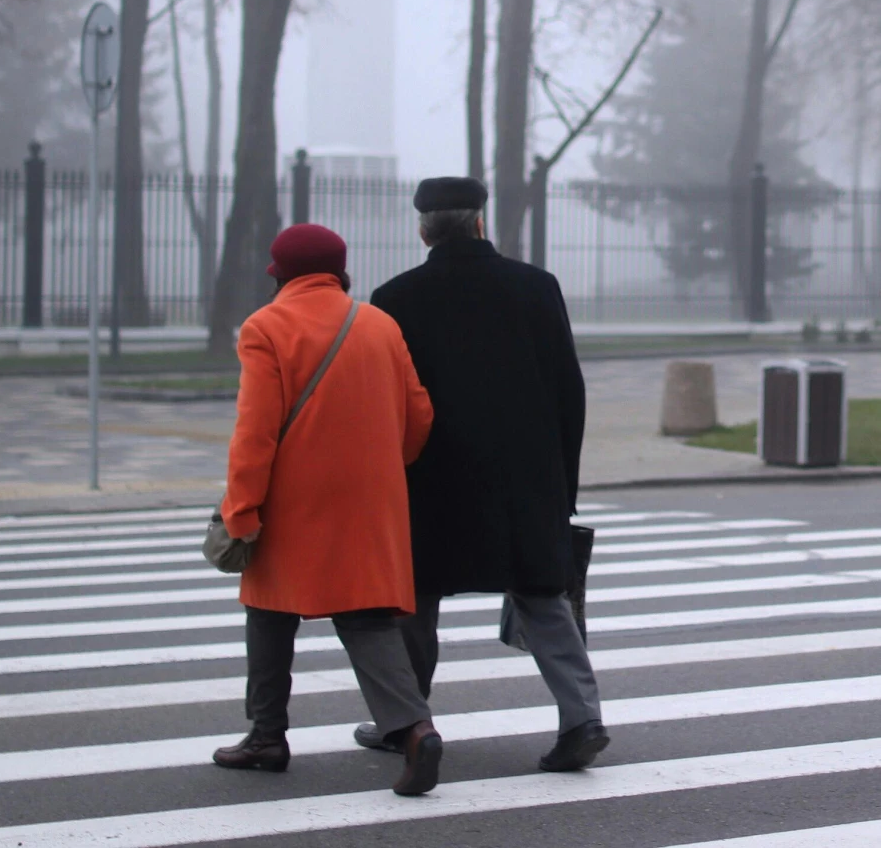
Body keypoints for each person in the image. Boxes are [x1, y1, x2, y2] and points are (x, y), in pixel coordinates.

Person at [366, 175, 610, 773]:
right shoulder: (536, 287)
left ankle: (408, 721)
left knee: (415, 602)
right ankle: (582, 717)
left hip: (431, 478)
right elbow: (567, 390)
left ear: (423, 230)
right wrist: (562, 486)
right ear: (480, 222)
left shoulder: (394, 299)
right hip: (526, 477)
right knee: (542, 595)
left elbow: (387, 400)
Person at [213, 222, 446, 796]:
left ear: (282, 274)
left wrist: (241, 511)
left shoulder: (266, 327)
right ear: (339, 270)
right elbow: (419, 416)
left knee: (268, 614)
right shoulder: (379, 324)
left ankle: (267, 736)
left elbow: (255, 433)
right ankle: (415, 729)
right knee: (367, 618)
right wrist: (383, 466)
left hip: (292, 503)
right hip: (369, 503)